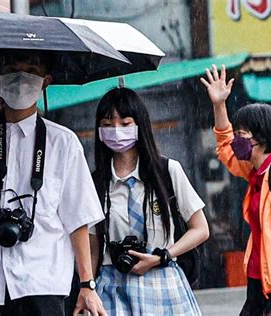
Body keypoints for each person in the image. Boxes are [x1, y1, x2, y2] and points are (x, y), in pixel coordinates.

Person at [0, 51, 106, 316]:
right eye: (12, 69)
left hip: (44, 281)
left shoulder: (62, 142)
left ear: (46, 81)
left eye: (31, 69)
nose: (21, 77)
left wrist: (87, 284)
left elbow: (78, 219)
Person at [201, 65, 271, 315]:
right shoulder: (256, 171)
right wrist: (219, 105)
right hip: (260, 279)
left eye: (242, 134)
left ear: (260, 138)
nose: (237, 140)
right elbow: (225, 148)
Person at [89, 87, 209, 315]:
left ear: (140, 125)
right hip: (114, 284)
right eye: (107, 124)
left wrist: (162, 255)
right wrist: (88, 288)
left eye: (125, 124)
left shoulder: (167, 171)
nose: (116, 130)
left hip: (163, 280)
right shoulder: (95, 182)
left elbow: (200, 229)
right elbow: (93, 247)